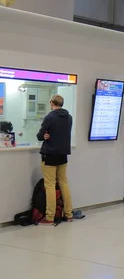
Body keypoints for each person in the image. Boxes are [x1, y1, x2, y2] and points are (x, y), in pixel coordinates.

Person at [36, 95, 74, 225]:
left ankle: (50, 216)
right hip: (63, 155)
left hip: (50, 154)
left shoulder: (50, 117)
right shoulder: (69, 117)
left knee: (50, 185)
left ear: (51, 103)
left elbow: (40, 136)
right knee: (63, 182)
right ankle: (69, 214)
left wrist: (45, 136)